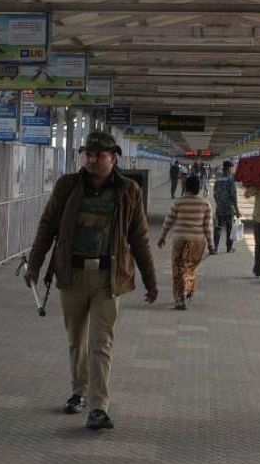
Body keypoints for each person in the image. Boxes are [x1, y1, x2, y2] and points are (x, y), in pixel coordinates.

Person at [24, 132, 158, 431]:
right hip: (71, 275)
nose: (92, 159)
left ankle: (99, 407)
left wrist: (150, 280)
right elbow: (48, 225)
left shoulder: (128, 190)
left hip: (108, 278)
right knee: (76, 341)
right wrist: (34, 264)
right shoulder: (67, 186)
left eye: (100, 155)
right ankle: (78, 392)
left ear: (115, 158)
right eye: (89, 154)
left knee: (101, 343)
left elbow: (139, 237)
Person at [158, 175, 212, 310]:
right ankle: (187, 293)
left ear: (185, 187)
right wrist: (211, 244)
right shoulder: (205, 204)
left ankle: (180, 299)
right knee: (190, 269)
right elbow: (207, 226)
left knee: (178, 270)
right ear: (199, 188)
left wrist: (162, 237)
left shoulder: (178, 202)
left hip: (180, 240)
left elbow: (168, 221)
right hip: (197, 242)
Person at [212, 161, 239, 254]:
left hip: (219, 208)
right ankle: (229, 249)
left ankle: (215, 248)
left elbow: (215, 194)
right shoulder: (230, 180)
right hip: (229, 209)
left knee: (218, 227)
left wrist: (219, 203)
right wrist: (237, 210)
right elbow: (233, 196)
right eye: (231, 168)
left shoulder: (218, 179)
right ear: (229, 168)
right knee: (229, 228)